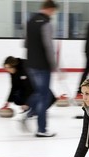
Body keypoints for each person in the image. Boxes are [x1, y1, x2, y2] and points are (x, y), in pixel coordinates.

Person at [24, 0, 58, 137]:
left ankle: (29, 112)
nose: (53, 14)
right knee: (44, 96)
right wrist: (55, 66)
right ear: (49, 9)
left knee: (40, 92)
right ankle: (41, 129)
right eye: (53, 12)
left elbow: (25, 43)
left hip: (30, 64)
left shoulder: (30, 21)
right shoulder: (46, 24)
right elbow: (48, 47)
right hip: (42, 66)